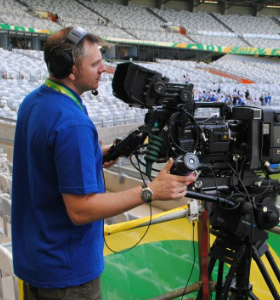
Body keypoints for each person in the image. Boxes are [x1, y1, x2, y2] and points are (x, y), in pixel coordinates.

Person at [12, 27, 196, 300]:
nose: (104, 69)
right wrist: (151, 192)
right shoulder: (72, 122)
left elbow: (49, 161)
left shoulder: (34, 102)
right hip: (67, 275)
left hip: (36, 264)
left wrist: (98, 154)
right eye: (96, 63)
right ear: (70, 69)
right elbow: (80, 210)